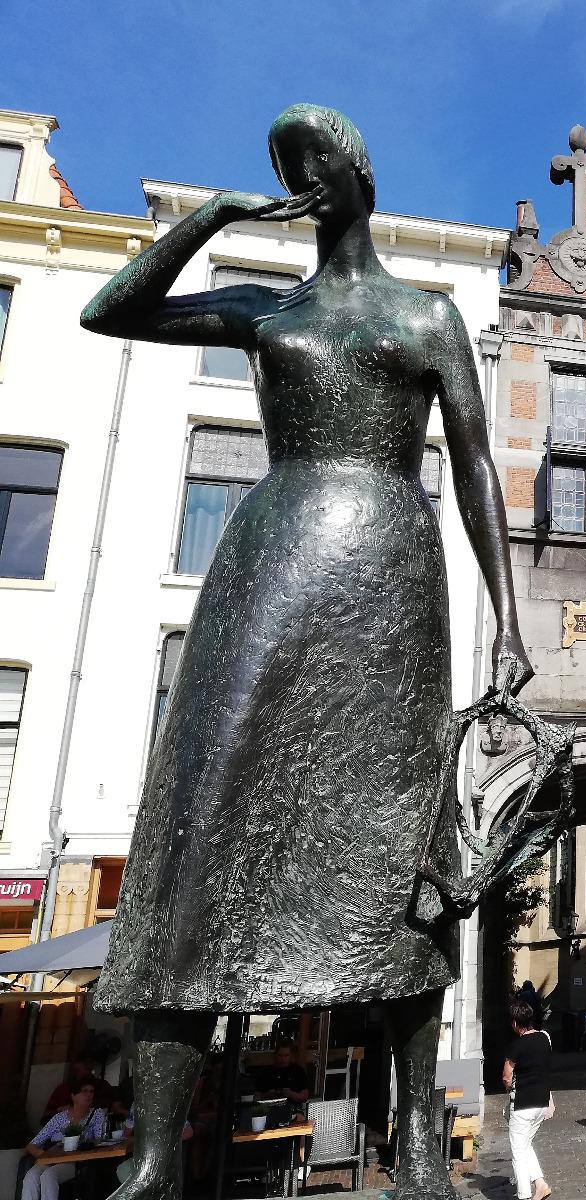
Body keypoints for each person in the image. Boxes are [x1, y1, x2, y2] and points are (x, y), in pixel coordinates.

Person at [79, 102, 532, 1200]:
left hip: (388, 565)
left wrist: (509, 622)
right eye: (285, 169)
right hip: (273, 557)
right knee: (207, 820)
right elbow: (113, 310)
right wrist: (212, 218)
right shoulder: (263, 308)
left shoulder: (428, 315)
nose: (304, 180)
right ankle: (155, 1147)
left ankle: (417, 1132)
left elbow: (473, 467)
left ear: (362, 175)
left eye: (318, 163)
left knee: (398, 851)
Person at [501, 999, 554, 1200]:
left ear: (515, 1023)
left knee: (518, 1153)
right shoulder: (545, 1038)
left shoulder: (517, 1045)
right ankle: (540, 1184)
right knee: (525, 1144)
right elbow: (546, 1071)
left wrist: (509, 1086)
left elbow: (506, 1076)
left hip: (523, 1104)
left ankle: (524, 1195)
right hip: (541, 1103)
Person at [23, 1080, 109, 1200]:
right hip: (52, 1158)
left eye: (91, 1091)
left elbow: (100, 1140)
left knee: (49, 1176)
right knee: (31, 1176)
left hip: (76, 1161)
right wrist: (47, 1156)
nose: (89, 1094)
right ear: (73, 1096)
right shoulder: (59, 1118)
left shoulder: (96, 1114)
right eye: (84, 1091)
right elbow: (31, 1145)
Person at [40, 1058, 115, 1124]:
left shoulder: (102, 1086)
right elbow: (45, 1118)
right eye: (85, 1065)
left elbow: (112, 1107)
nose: (89, 1068)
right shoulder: (62, 1089)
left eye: (91, 1064)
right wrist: (60, 1112)